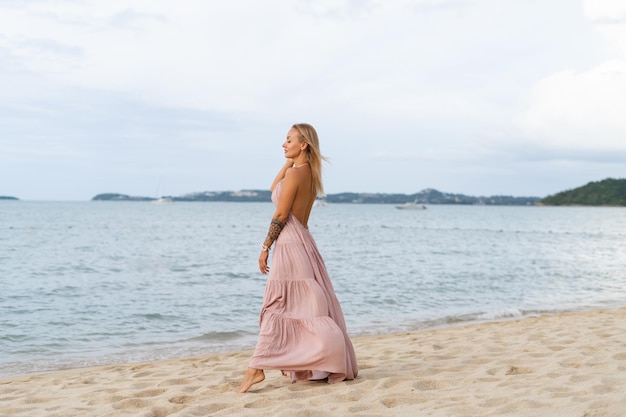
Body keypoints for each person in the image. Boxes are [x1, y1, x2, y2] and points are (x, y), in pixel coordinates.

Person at [238, 123, 358, 393]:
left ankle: (255, 369)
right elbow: (274, 187)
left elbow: (280, 215)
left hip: (290, 245)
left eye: (289, 140)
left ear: (303, 144)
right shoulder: (308, 176)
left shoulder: (295, 176)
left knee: (277, 307)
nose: (283, 143)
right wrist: (290, 163)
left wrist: (265, 246)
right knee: (305, 308)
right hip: (304, 243)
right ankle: (315, 360)